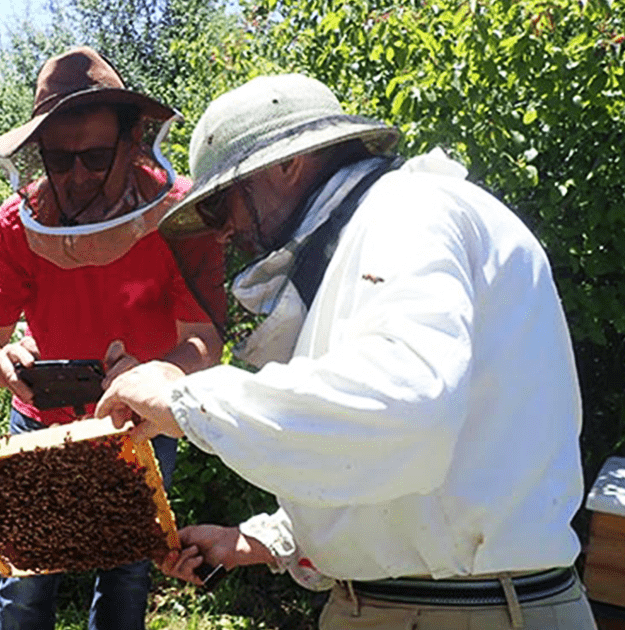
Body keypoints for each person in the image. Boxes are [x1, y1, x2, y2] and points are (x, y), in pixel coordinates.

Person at [96, 73, 596, 630]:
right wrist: (265, 540)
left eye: (222, 205)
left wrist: (183, 398)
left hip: (470, 611)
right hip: (414, 604)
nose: (221, 232)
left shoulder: (410, 212)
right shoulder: (366, 238)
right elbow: (408, 477)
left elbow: (406, 411)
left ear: (286, 165)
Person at [0, 46, 222, 630]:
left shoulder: (178, 219)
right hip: (40, 423)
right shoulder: (17, 223)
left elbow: (205, 339)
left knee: (127, 576)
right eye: (59, 157)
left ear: (132, 145)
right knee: (26, 584)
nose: (76, 174)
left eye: (96, 156)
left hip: (139, 424)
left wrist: (153, 377)